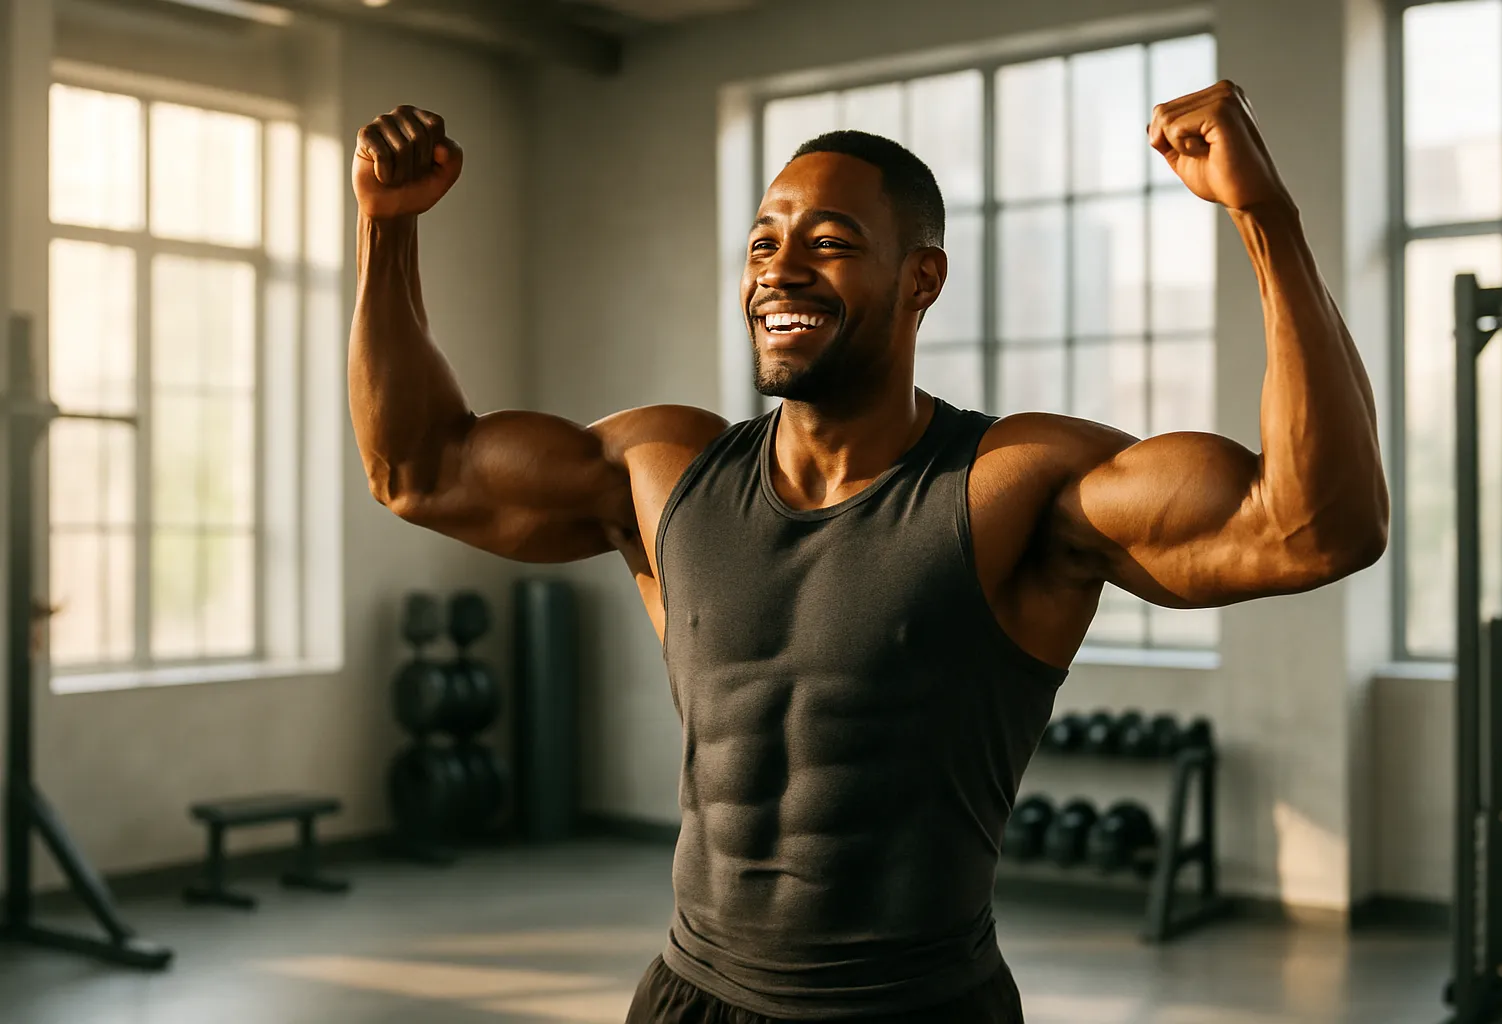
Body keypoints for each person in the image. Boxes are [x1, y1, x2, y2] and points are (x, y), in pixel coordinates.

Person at [348, 80, 1387, 1023]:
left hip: (919, 1007)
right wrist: (386, 235)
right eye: (763, 243)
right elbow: (418, 470)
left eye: (830, 241)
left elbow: (1315, 524)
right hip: (690, 997)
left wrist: (1267, 219)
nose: (780, 269)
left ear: (920, 276)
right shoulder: (667, 473)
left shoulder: (1010, 485)